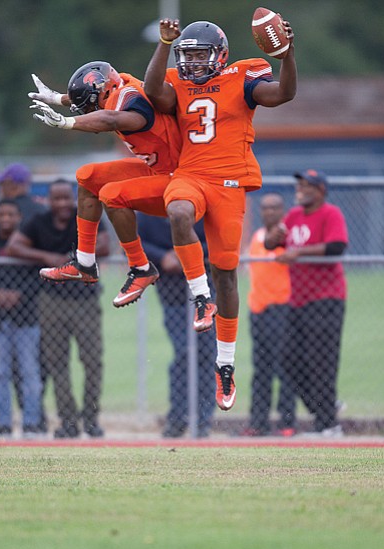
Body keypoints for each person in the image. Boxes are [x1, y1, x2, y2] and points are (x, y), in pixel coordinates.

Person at [143, 17, 297, 411]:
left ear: (220, 55)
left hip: (229, 183)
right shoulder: (177, 82)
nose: (192, 64)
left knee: (226, 273)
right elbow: (152, 91)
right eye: (186, 56)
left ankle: (225, 364)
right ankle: (200, 298)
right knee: (177, 211)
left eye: (199, 55)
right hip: (191, 175)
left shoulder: (242, 76)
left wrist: (286, 56)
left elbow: (282, 94)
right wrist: (163, 44)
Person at [27, 62, 182, 307]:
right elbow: (96, 96)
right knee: (88, 177)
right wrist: (58, 98)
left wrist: (68, 123)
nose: (87, 111)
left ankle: (141, 267)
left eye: (88, 105)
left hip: (178, 178)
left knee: (112, 194)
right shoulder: (118, 83)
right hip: (157, 168)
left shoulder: (131, 105)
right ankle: (85, 262)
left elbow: (109, 118)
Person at [7, 179, 110, 438]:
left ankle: (91, 418)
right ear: (49, 200)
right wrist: (46, 258)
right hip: (51, 301)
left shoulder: (86, 217)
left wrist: (78, 258)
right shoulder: (38, 222)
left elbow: (106, 245)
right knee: (57, 363)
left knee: (93, 361)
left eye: (67, 198)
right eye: (58, 199)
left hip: (85, 300)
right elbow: (14, 246)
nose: (63, 203)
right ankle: (68, 421)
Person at [264, 170, 348, 435]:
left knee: (321, 360)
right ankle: (325, 407)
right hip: (298, 300)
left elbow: (337, 247)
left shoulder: (330, 213)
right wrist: (272, 238)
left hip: (326, 298)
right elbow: (271, 244)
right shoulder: (293, 216)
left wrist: (299, 252)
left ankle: (329, 424)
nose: (300, 189)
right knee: (288, 359)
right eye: (299, 185)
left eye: (306, 186)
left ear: (320, 190)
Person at [137, 212, 216, 438]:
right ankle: (178, 417)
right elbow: (133, 243)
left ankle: (202, 420)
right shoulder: (147, 212)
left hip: (205, 293)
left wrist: (185, 255)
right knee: (183, 353)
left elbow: (217, 239)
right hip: (172, 296)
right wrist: (163, 257)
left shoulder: (200, 207)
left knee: (205, 353)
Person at [0, 199, 43, 438]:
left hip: (26, 317)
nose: (6, 219)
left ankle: (32, 423)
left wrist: (19, 294)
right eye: (1, 214)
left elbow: (37, 276)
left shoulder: (27, 242)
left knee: (29, 371)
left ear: (19, 217)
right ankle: (3, 423)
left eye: (11, 214)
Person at [244, 193, 296, 436]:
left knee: (284, 368)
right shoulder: (256, 237)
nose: (269, 212)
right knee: (261, 370)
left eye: (275, 208)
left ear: (282, 210)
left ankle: (287, 423)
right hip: (259, 310)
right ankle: (258, 422)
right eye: (265, 208)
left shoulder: (286, 238)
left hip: (282, 309)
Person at [0, 163, 47, 247]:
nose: (0, 189)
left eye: (2, 184)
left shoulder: (4, 210)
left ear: (14, 186)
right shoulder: (41, 208)